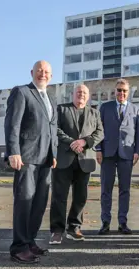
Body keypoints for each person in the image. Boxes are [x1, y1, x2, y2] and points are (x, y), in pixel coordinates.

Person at [4, 60, 58, 264]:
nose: (43, 74)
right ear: (32, 72)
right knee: (24, 201)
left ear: (51, 76)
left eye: (46, 72)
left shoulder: (51, 98)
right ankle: (18, 247)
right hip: (26, 157)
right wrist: (13, 151)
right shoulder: (21, 92)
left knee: (39, 203)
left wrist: (54, 154)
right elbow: (12, 124)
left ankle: (29, 241)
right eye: (39, 71)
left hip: (45, 159)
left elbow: (52, 128)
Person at [49, 84, 104, 244]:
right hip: (64, 160)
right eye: (79, 92)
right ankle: (57, 231)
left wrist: (84, 142)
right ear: (73, 94)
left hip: (84, 160)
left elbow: (100, 133)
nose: (81, 94)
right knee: (59, 197)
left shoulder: (94, 113)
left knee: (80, 197)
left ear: (88, 96)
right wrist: (72, 142)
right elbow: (55, 129)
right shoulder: (61, 109)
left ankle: (74, 228)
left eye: (84, 93)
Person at [95, 78, 139, 235]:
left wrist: (137, 151)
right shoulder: (105, 107)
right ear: (115, 91)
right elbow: (98, 130)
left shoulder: (135, 109)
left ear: (128, 92)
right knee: (106, 189)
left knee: (125, 190)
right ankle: (105, 222)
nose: (121, 93)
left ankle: (123, 222)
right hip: (107, 153)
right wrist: (98, 149)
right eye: (119, 90)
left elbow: (138, 134)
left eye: (124, 90)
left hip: (126, 154)